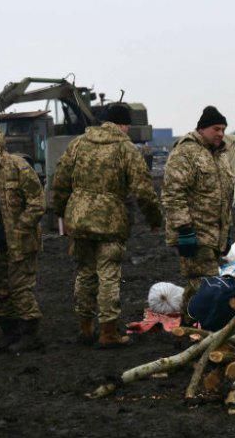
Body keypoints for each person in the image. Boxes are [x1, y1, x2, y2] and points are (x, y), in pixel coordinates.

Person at [52, 105, 162, 348]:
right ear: (124, 125)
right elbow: (143, 189)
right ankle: (108, 332)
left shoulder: (79, 144)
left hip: (78, 220)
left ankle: (85, 328)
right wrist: (155, 219)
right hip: (110, 221)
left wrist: (61, 212)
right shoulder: (125, 148)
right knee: (108, 274)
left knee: (84, 273)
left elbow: (60, 181)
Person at [0, 127, 45, 353]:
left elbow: (38, 202)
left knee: (21, 288)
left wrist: (22, 227)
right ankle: (9, 333)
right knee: (0, 291)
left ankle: (30, 335)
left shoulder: (17, 166)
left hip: (20, 242)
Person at [162, 106, 234, 322]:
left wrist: (226, 231)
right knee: (206, 282)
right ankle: (198, 325)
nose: (220, 133)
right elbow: (173, 193)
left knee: (199, 283)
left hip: (214, 233)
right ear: (202, 129)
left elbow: (225, 196)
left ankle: (188, 322)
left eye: (223, 129)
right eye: (216, 128)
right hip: (195, 231)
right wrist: (184, 230)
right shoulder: (186, 152)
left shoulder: (221, 155)